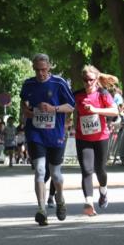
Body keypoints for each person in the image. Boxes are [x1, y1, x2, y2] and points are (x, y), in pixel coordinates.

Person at [20, 53, 75, 225]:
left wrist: (54, 108)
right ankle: (41, 209)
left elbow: (71, 105)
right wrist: (27, 111)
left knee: (56, 174)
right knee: (40, 170)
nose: (40, 74)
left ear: (49, 67)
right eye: (37, 70)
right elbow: (24, 103)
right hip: (35, 133)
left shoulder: (59, 83)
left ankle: (60, 200)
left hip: (55, 134)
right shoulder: (29, 84)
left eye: (43, 70)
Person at [74, 65, 118, 216]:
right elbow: (67, 107)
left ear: (96, 79)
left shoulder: (102, 94)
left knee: (100, 170)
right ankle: (89, 202)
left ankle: (103, 190)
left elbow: (115, 111)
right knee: (87, 170)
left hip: (101, 137)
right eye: (84, 80)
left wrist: (95, 110)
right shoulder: (77, 95)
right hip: (82, 137)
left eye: (90, 80)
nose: (87, 83)